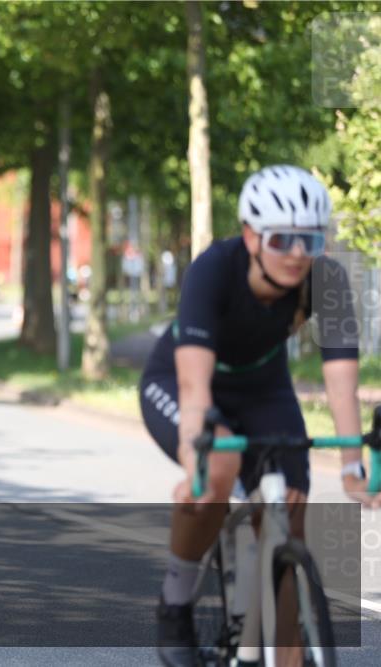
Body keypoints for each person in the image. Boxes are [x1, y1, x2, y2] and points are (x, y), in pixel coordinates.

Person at [138, 165, 376, 666]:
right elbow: (193, 387)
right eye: (280, 238)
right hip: (180, 381)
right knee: (216, 473)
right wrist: (194, 460)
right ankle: (176, 603)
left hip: (263, 390)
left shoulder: (325, 279)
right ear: (250, 235)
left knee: (289, 511)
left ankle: (273, 656)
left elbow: (341, 383)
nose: (296, 253)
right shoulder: (214, 269)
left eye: (309, 240)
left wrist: (355, 466)